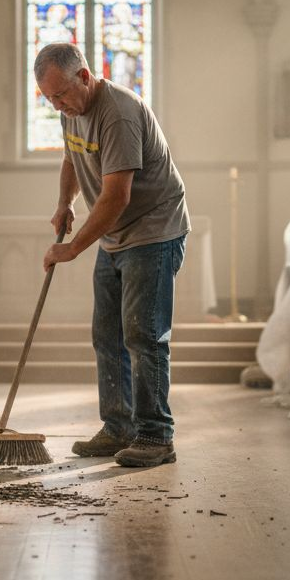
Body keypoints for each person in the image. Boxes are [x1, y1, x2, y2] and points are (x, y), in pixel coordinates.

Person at [34, 42, 190, 468]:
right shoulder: (73, 111)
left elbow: (116, 197)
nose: (58, 106)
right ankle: (118, 427)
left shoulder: (117, 112)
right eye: (49, 99)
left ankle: (156, 437)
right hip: (117, 236)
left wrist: (72, 248)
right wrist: (63, 203)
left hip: (153, 230)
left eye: (61, 95)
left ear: (84, 77)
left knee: (143, 334)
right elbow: (72, 156)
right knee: (107, 335)